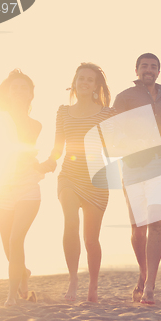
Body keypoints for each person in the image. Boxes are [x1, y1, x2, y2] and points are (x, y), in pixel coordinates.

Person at [112, 53, 161, 304]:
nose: (149, 70)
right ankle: (143, 274)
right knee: (137, 227)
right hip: (133, 167)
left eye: (153, 67)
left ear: (159, 71)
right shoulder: (124, 97)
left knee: (156, 224)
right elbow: (113, 131)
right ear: (136, 69)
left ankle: (150, 285)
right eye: (144, 66)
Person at [43, 62, 114, 302]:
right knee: (70, 222)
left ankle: (92, 285)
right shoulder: (63, 112)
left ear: (96, 86)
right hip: (69, 176)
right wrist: (47, 164)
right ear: (74, 82)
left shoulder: (107, 113)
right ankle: (73, 278)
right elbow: (57, 148)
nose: (84, 82)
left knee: (91, 239)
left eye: (89, 80)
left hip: (97, 180)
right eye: (81, 78)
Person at [0, 69, 49, 306]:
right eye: (14, 87)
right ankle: (23, 274)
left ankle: (12, 296)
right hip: (1, 187)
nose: (18, 91)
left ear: (30, 95)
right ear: (8, 92)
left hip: (27, 187)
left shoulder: (35, 125)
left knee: (16, 241)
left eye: (23, 87)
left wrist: (42, 165)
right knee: (8, 246)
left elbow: (22, 149)